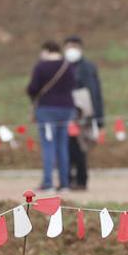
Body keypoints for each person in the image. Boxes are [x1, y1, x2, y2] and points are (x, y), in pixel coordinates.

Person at [26, 41, 76, 193]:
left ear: (47, 50)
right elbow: (73, 84)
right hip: (66, 109)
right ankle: (65, 183)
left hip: (47, 109)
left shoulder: (41, 66)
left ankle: (48, 183)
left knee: (48, 146)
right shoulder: (68, 66)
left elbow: (32, 88)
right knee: (63, 146)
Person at [63, 36, 104, 191]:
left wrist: (98, 118)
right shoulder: (62, 66)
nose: (71, 50)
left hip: (84, 114)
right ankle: (67, 178)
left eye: (74, 46)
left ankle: (81, 179)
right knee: (66, 147)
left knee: (81, 147)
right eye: (68, 46)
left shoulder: (87, 67)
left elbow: (95, 92)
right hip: (65, 113)